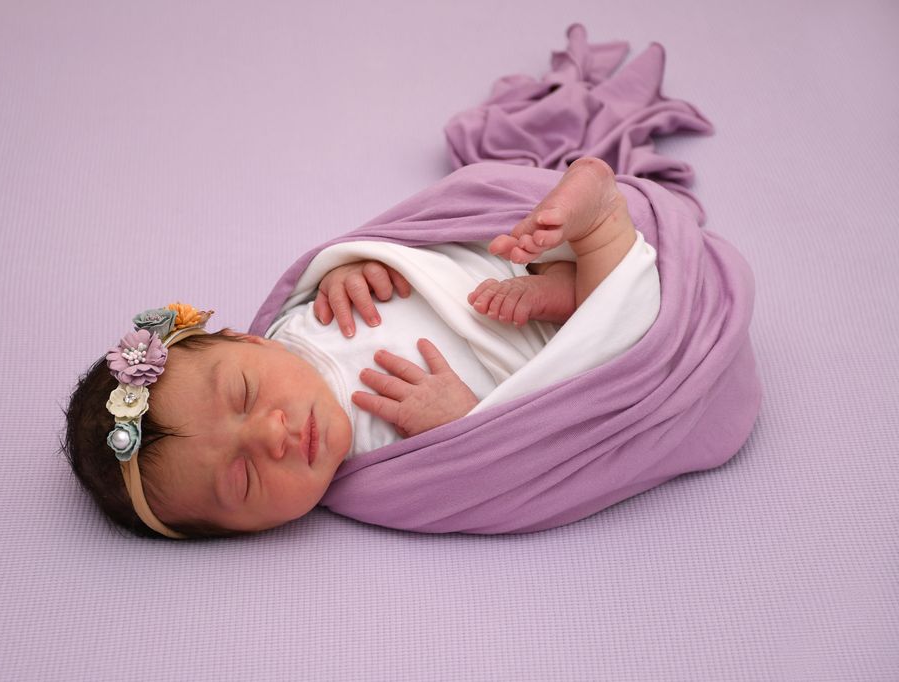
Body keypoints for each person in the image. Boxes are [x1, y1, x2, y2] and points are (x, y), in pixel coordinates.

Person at [62, 157, 643, 540]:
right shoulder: (376, 478)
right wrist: (460, 424)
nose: (272, 434)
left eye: (244, 392)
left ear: (245, 339)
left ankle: (560, 266)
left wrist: (358, 267)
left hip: (489, 269)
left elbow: (373, 251)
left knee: (515, 239)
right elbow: (498, 480)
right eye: (242, 479)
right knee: (617, 331)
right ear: (242, 531)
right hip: (547, 349)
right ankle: (602, 237)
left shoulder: (296, 324)